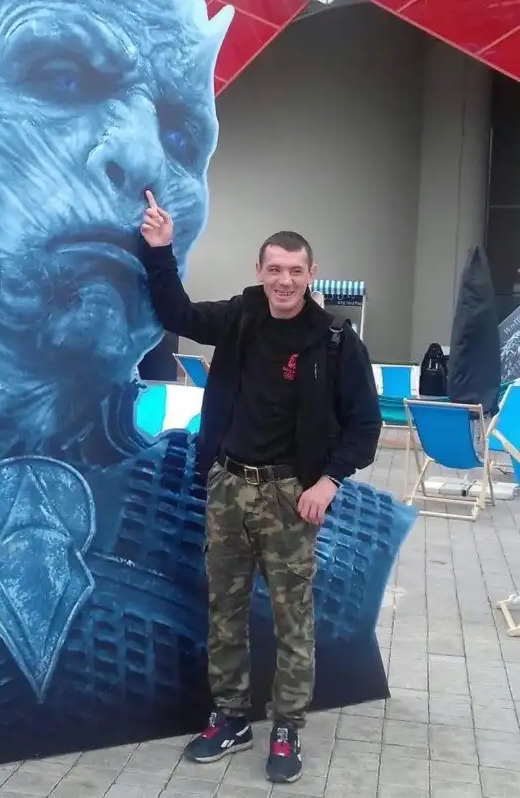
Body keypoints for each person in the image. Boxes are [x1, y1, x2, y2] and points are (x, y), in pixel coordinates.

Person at [140, 191, 381, 785]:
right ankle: (230, 717)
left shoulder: (334, 341)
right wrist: (160, 250)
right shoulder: (240, 317)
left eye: (295, 271)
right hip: (228, 487)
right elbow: (177, 314)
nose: (284, 281)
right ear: (259, 271)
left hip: (290, 498)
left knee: (292, 618)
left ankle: (287, 727)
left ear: (311, 274)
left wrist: (327, 481)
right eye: (274, 269)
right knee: (224, 611)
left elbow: (365, 425)